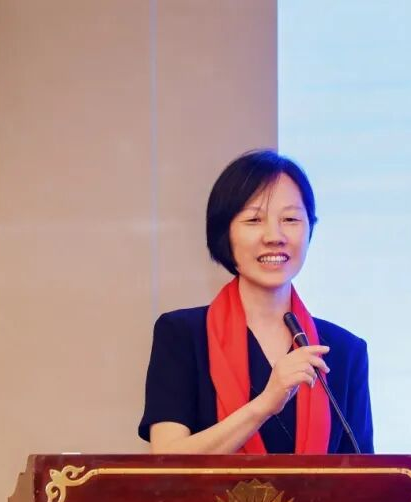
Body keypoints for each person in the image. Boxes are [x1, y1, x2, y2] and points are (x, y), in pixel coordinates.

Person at [138, 149, 374, 454]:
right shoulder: (182, 334)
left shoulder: (344, 351)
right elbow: (166, 460)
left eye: (290, 219)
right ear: (224, 232)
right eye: (254, 220)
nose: (274, 236)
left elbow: (364, 474)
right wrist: (265, 404)